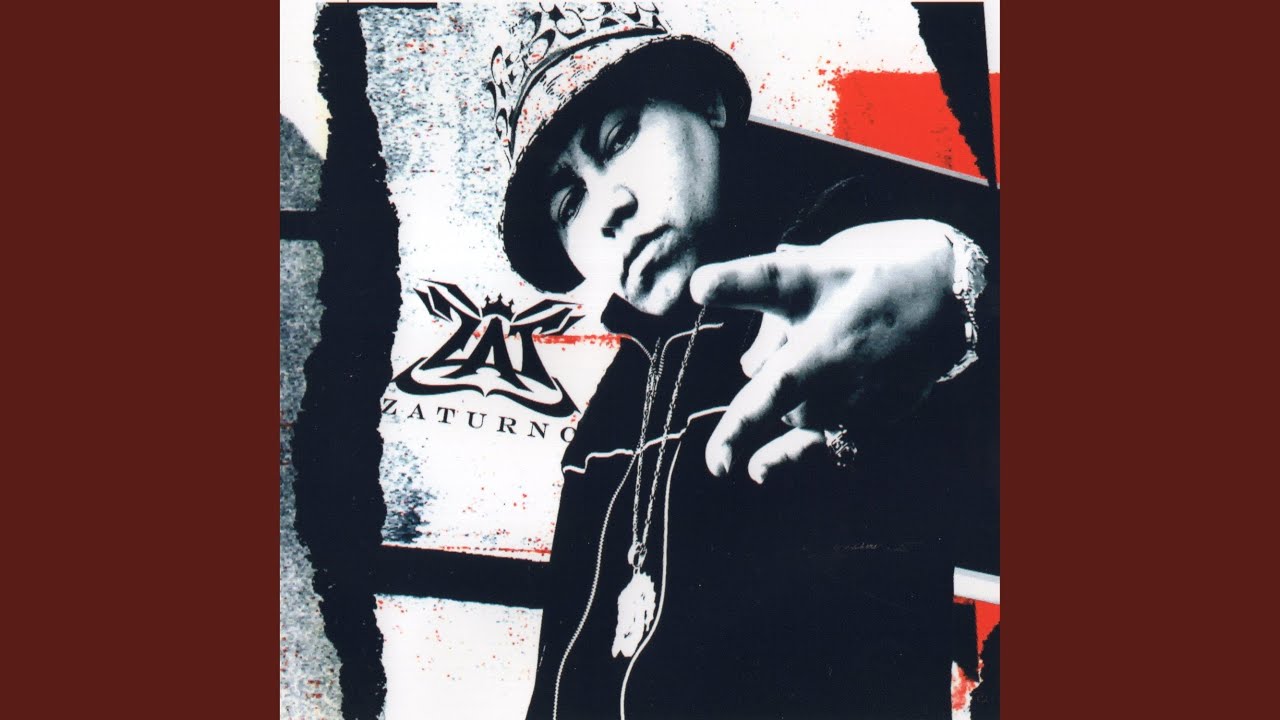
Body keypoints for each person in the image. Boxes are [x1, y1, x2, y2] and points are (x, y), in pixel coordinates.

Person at [487, 4, 998, 718]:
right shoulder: (598, 431)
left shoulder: (848, 281)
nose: (608, 209)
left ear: (709, 103)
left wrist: (961, 295)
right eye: (569, 201)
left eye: (620, 137)